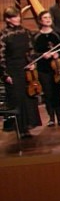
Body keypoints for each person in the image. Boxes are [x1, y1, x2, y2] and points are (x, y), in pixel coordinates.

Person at [1, 8, 41, 138]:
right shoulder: (3, 35)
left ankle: (28, 127)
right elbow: (1, 57)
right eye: (14, 17)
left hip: (25, 69)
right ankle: (20, 128)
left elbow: (31, 50)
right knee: (17, 99)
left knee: (28, 97)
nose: (18, 18)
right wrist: (5, 75)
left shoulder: (26, 32)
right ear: (7, 19)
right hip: (12, 70)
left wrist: (32, 62)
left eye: (18, 16)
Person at [33, 11, 60, 127]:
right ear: (40, 21)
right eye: (45, 17)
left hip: (56, 69)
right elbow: (33, 53)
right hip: (43, 69)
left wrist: (58, 54)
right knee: (48, 93)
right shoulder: (36, 37)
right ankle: (51, 117)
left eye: (49, 17)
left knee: (57, 92)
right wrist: (42, 55)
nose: (48, 19)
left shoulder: (57, 35)